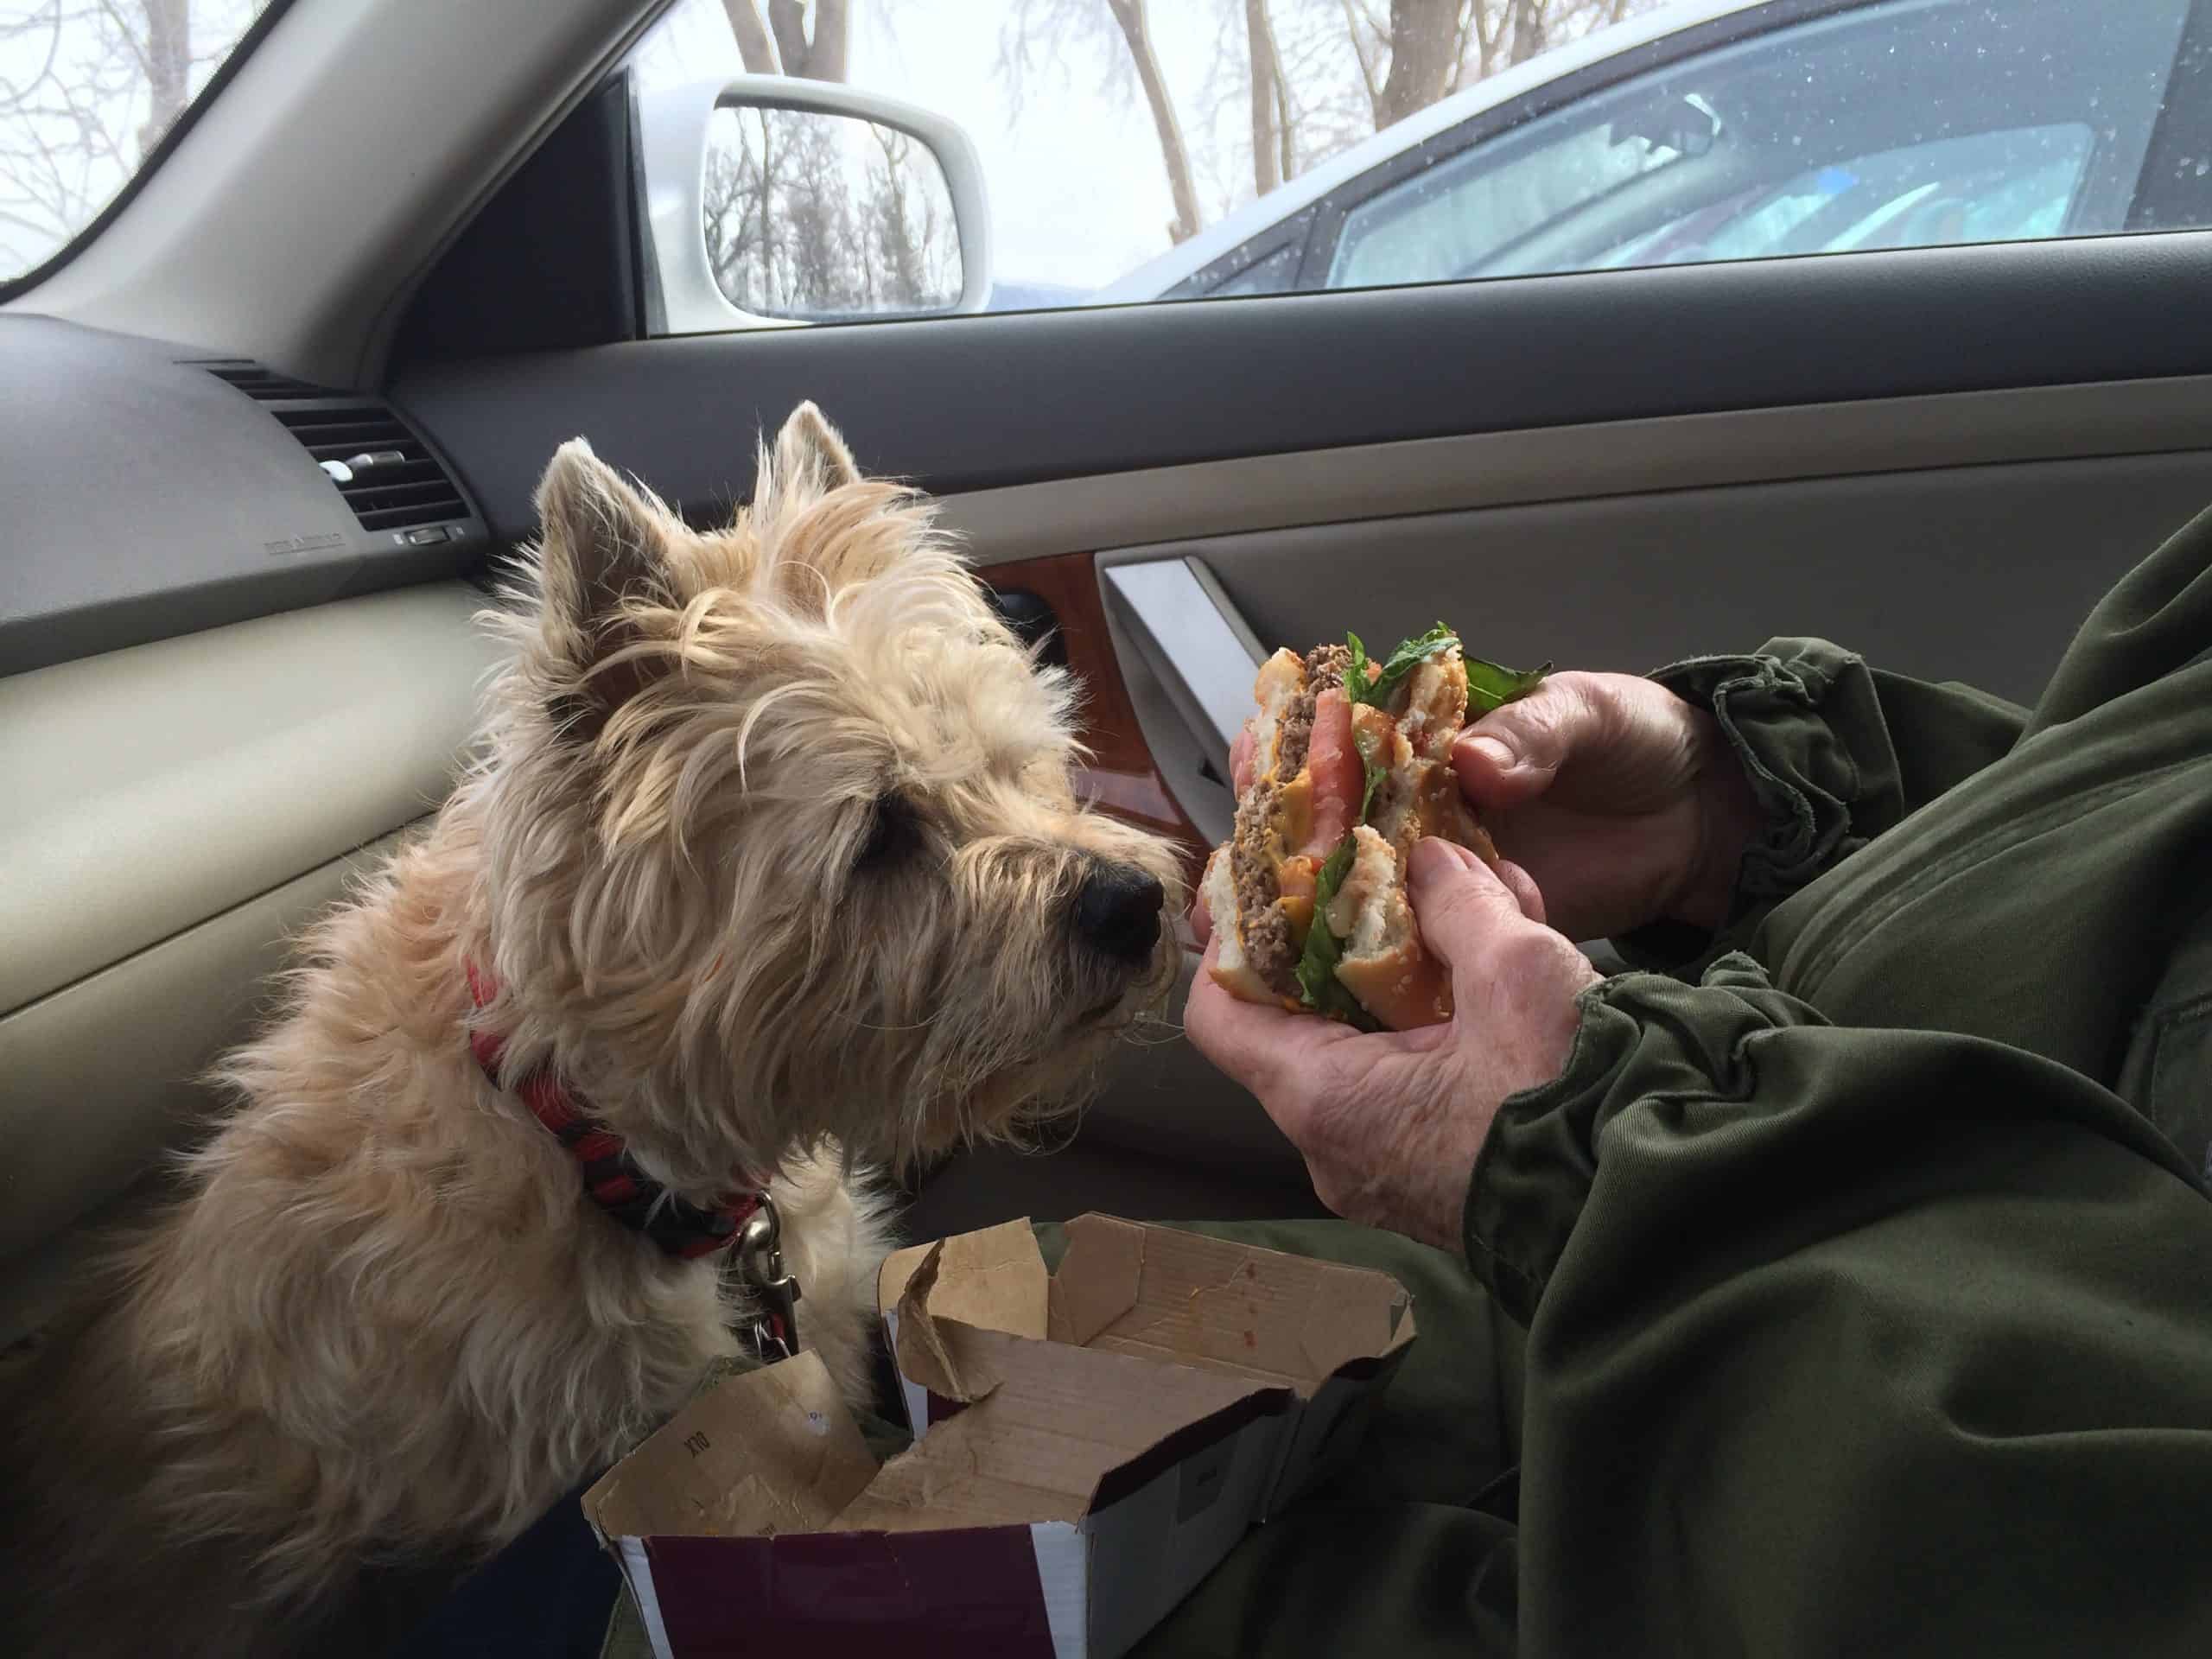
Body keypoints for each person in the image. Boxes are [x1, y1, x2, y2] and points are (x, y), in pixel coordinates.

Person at [1141, 504, 2212, 1656]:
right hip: (1729, 1232)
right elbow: (2110, 836)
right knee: (963, 1372)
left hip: (1843, 1469)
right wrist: (1742, 822)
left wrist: (1594, 1158)